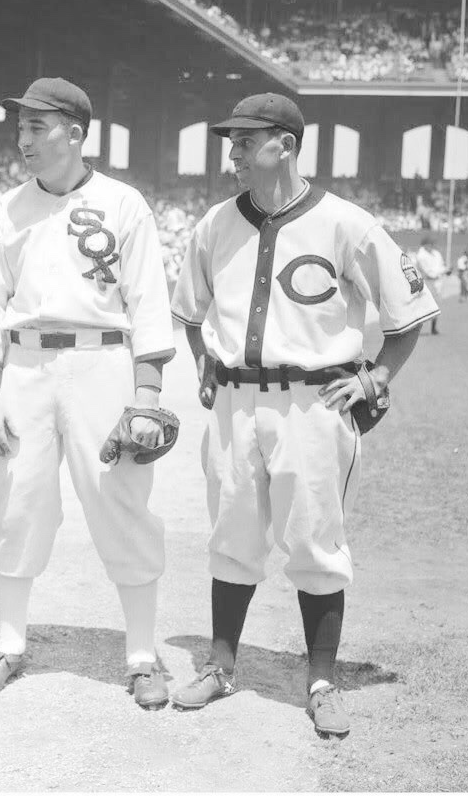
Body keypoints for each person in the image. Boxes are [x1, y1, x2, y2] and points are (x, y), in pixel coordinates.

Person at [169, 93, 440, 737]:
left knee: (315, 540)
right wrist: (204, 359)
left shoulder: (346, 223)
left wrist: (375, 374)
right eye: (229, 139)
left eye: (244, 140)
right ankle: (221, 665)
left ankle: (321, 680)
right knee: (232, 535)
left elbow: (408, 312)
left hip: (313, 402)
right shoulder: (214, 223)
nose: (231, 151)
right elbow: (188, 310)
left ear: (284, 145)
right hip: (235, 401)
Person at [0, 78, 177, 709]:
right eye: (19, 127)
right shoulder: (5, 209)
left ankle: (140, 653)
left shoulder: (124, 203)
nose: (22, 138)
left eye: (36, 127)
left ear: (75, 133)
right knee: (17, 499)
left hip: (101, 361)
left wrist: (147, 397)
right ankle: (9, 641)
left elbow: (149, 306)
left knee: (121, 500)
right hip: (23, 366)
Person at [414, 237, 449, 334]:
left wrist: (445, 270)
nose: (432, 246)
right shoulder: (421, 255)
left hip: (437, 282)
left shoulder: (436, 254)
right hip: (426, 283)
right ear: (425, 245)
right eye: (430, 244)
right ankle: (415, 328)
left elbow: (441, 266)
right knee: (421, 306)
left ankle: (433, 328)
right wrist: (434, 275)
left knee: (436, 306)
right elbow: (425, 271)